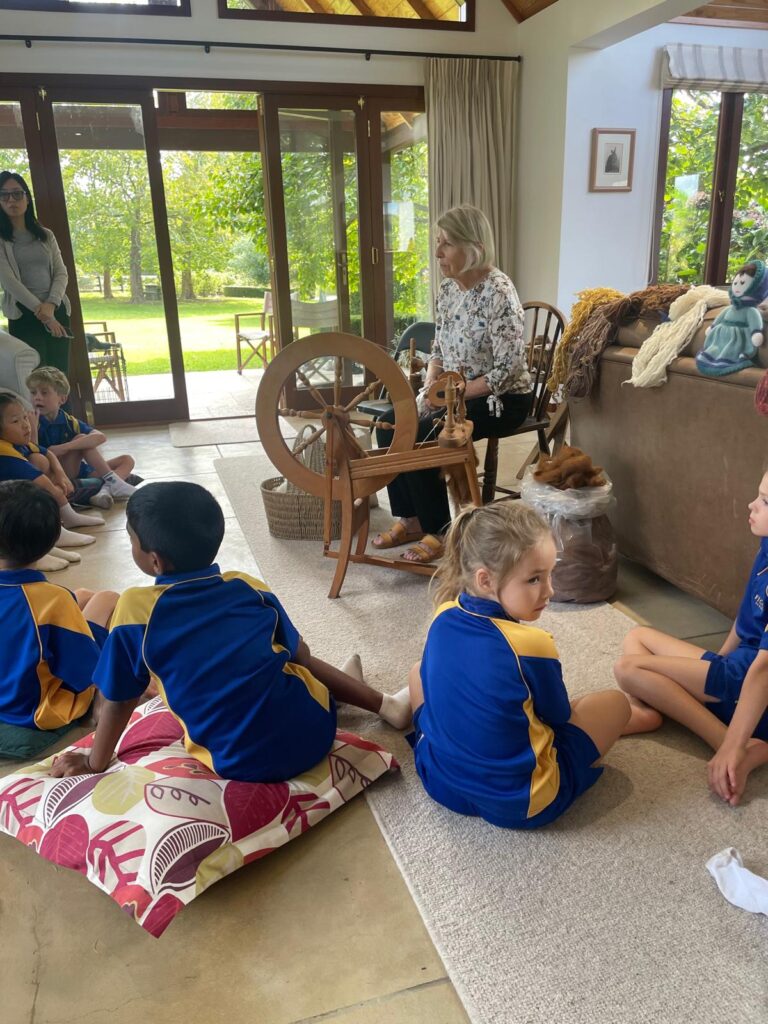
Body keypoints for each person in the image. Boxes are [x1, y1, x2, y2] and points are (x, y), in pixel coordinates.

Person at [50, 482, 413, 780]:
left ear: (155, 560)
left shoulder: (134, 608)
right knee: (289, 660)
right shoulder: (248, 585)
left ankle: (355, 697)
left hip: (238, 763)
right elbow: (301, 656)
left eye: (131, 540)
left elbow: (117, 699)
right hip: (316, 733)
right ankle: (382, 704)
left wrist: (95, 762)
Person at [406, 502, 630, 828]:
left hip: (439, 781)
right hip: (521, 803)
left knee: (417, 672)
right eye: (535, 579)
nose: (550, 591)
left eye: (550, 574)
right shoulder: (532, 645)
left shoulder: (442, 614)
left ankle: (408, 717)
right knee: (616, 703)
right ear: (485, 580)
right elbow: (557, 718)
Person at [374, 205, 533, 564]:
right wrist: (432, 381)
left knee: (424, 435)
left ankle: (440, 532)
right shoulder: (447, 291)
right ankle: (411, 519)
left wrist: (450, 396)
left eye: (445, 244)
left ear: (473, 246)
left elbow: (508, 369)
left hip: (501, 398)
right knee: (391, 427)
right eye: (438, 242)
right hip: (450, 392)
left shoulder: (499, 292)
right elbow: (439, 348)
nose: (437, 252)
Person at [615, 469, 768, 806]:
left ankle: (730, 742)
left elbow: (763, 671)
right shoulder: (766, 547)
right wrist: (714, 665)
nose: (751, 505)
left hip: (754, 685)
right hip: (738, 669)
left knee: (628, 669)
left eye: (764, 502)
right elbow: (744, 625)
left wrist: (732, 746)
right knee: (638, 637)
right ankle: (649, 710)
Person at [0, 480, 118, 732]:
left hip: (7, 689)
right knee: (107, 598)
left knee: (82, 595)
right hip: (34, 708)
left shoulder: (48, 598)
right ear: (52, 539)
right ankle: (99, 704)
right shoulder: (52, 599)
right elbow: (87, 668)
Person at [0, 393, 104, 549]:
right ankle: (54, 532)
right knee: (49, 488)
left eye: (25, 418)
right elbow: (42, 482)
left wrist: (62, 476)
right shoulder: (4, 452)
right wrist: (58, 492)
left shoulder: (17, 442)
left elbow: (47, 453)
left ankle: (66, 518)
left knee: (38, 459)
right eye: (15, 421)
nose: (25, 425)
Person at [27, 365, 137, 509]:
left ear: (62, 399)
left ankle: (105, 490)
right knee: (81, 439)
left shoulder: (69, 420)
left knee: (127, 460)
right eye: (33, 393)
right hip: (57, 474)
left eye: (44, 392)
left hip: (80, 470)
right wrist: (33, 430)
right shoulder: (30, 421)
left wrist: (64, 447)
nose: (37, 397)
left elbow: (100, 437)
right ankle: (113, 482)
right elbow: (32, 457)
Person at [0, 171, 72, 374]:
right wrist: (44, 315)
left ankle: (63, 409)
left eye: (17, 193)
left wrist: (51, 305)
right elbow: (9, 282)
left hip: (56, 309)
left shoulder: (45, 235)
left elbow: (61, 272)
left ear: (27, 197)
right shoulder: (2, 239)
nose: (11, 200)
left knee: (60, 377)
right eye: (4, 195)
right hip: (24, 315)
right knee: (37, 379)